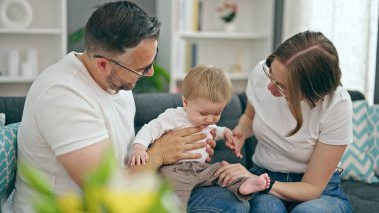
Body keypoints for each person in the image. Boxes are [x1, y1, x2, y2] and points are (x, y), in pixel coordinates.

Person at [13, 1, 249, 212]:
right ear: (103, 64)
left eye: (151, 61)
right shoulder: (64, 96)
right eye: (142, 68)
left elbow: (125, 158)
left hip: (130, 192)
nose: (151, 73)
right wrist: (161, 152)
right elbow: (108, 193)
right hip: (88, 205)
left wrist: (182, 148)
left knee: (233, 202)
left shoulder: (114, 80)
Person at [214, 30, 353, 213]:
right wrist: (240, 132)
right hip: (264, 174)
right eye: (271, 74)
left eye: (282, 86)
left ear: (312, 93)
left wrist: (263, 183)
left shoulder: (337, 105)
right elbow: (249, 117)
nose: (270, 86)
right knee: (266, 209)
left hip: (318, 192)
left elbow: (312, 187)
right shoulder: (260, 74)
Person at [127, 65, 270, 206]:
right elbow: (150, 129)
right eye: (204, 114)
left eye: (217, 113)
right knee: (174, 193)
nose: (210, 120)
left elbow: (216, 130)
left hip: (201, 169)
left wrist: (226, 133)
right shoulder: (173, 117)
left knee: (223, 170)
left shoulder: (206, 122)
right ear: (186, 102)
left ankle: (243, 185)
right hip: (176, 170)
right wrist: (139, 147)